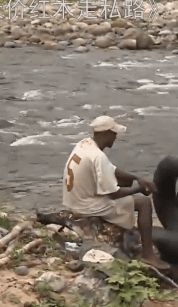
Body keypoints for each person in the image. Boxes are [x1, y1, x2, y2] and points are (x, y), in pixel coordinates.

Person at [62, 115, 169, 270]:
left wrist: (136, 177)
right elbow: (114, 194)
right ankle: (148, 255)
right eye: (114, 133)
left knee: (125, 182)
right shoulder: (99, 157)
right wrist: (140, 189)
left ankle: (128, 228)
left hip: (73, 199)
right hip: (84, 206)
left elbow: (111, 170)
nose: (116, 137)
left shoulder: (84, 144)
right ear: (105, 134)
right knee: (143, 203)